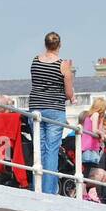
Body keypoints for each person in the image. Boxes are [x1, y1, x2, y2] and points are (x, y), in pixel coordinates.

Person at [30, 33, 74, 195]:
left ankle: (37, 188)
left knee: (38, 150)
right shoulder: (63, 65)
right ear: (59, 45)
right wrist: (71, 96)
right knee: (51, 150)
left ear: (45, 44)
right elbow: (69, 92)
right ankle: (48, 191)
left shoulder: (35, 61)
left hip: (36, 108)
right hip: (55, 109)